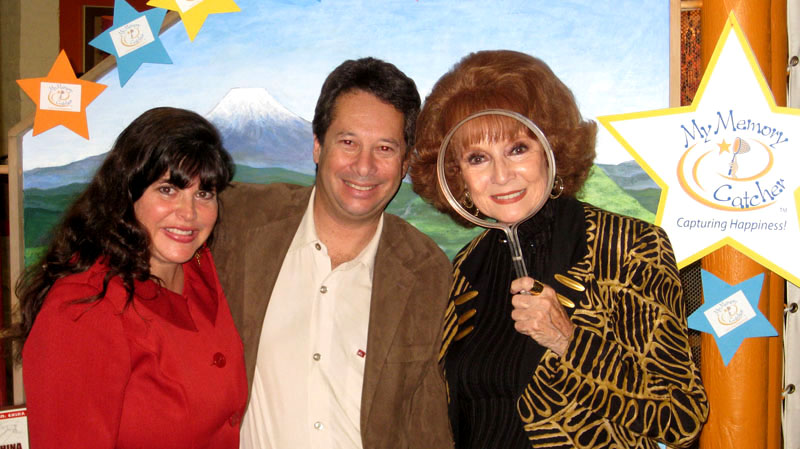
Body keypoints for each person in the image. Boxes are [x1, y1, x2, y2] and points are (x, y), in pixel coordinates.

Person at [409, 50, 709, 449]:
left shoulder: (627, 247)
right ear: (457, 176)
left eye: (517, 149)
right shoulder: (466, 267)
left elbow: (681, 418)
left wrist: (568, 341)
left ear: (551, 149)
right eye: (478, 158)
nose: (501, 175)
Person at [212, 57, 453, 448]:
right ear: (317, 146)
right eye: (348, 142)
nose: (364, 166)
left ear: (405, 163)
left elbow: (428, 424)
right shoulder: (237, 220)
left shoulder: (427, 271)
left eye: (385, 148)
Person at [18, 107, 247, 448]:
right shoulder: (83, 307)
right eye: (168, 190)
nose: (189, 213)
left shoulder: (202, 268)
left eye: (204, 194)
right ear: (127, 192)